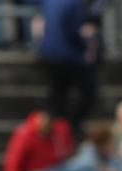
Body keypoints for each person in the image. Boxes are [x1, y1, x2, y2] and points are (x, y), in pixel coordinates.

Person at [2, 110, 94, 171]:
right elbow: (12, 163)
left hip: (59, 168)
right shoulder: (24, 134)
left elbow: (69, 151)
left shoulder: (60, 129)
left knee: (86, 164)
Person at [37, 0, 100, 131]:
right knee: (88, 92)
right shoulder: (74, 4)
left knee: (58, 95)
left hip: (48, 55)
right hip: (68, 56)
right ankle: (70, 124)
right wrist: (86, 48)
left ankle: (60, 127)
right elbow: (74, 31)